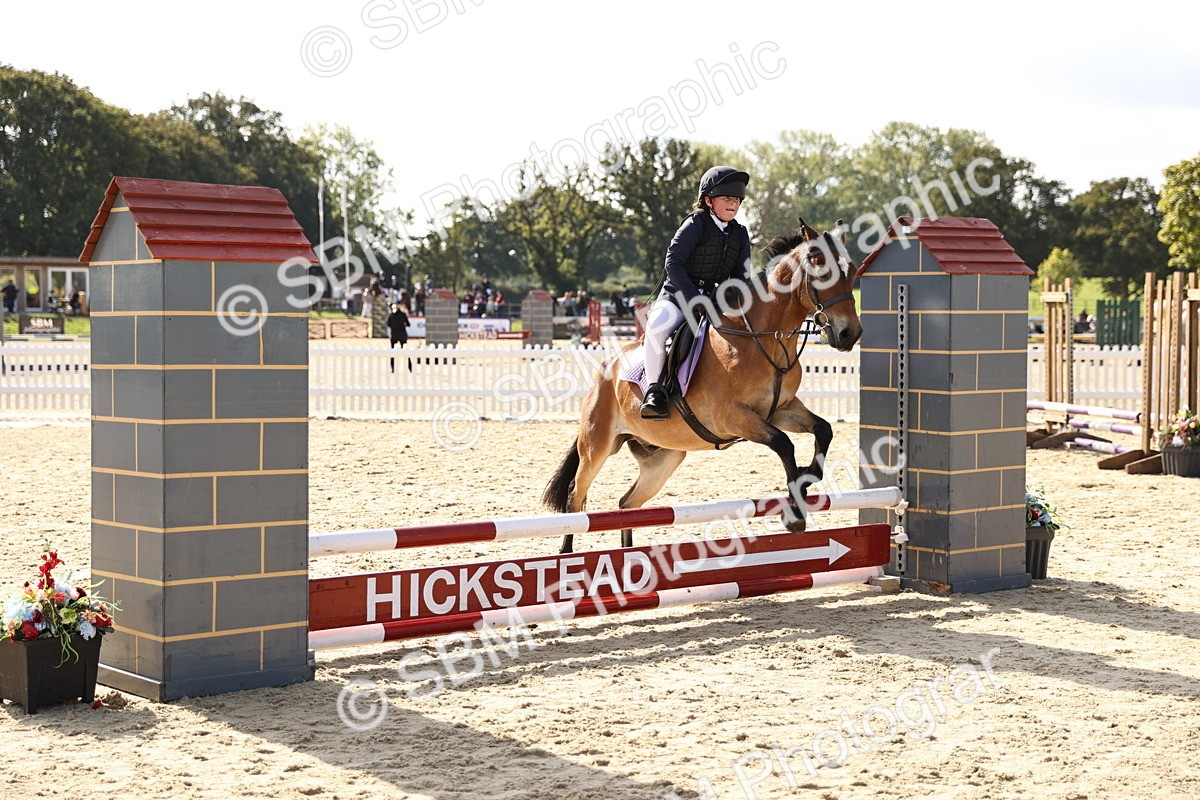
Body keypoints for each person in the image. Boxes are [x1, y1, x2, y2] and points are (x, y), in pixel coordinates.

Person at [640, 165, 752, 419]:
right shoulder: (695, 224)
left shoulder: (740, 233)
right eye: (727, 198)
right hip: (679, 296)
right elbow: (673, 263)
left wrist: (729, 298)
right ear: (708, 201)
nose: (733, 204)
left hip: (715, 300)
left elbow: (740, 276)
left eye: (737, 199)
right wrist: (694, 298)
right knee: (656, 329)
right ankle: (655, 390)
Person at [387, 302, 411, 373]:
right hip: (402, 334)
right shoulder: (403, 315)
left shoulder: (391, 315)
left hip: (394, 334)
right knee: (406, 351)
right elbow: (408, 324)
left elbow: (388, 324)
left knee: (393, 352)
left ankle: (392, 368)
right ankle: (410, 367)